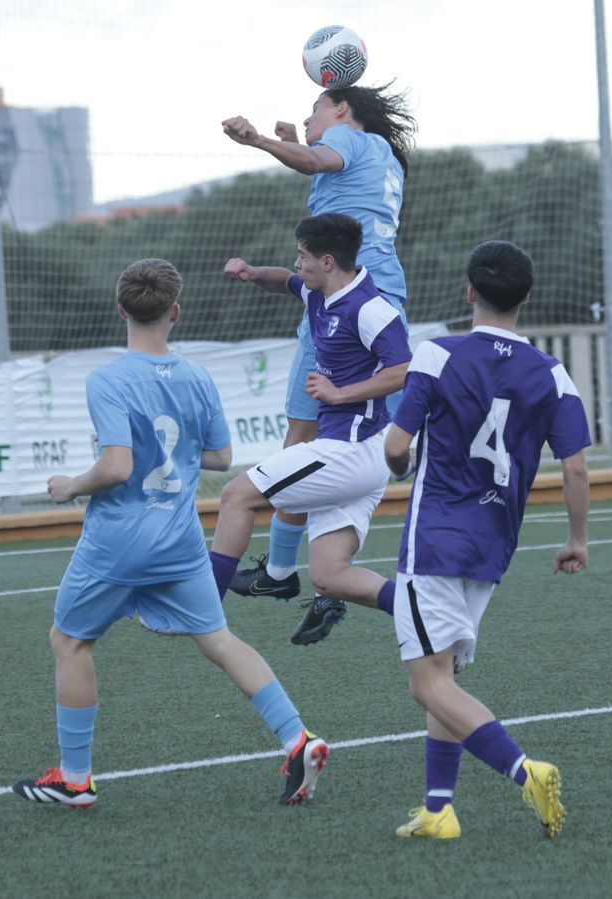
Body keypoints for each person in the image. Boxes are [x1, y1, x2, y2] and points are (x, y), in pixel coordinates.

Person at [12, 259, 328, 809]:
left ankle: (76, 778)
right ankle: (297, 737)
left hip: (120, 540)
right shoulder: (196, 375)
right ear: (175, 312)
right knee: (220, 640)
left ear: (120, 310)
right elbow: (221, 456)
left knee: (69, 641)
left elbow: (114, 467)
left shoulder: (108, 380)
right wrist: (177, 452)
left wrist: (69, 486)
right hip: (180, 539)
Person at [381, 241, 592, 840]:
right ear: (526, 297)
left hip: (436, 538)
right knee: (444, 675)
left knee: (426, 681)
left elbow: (397, 447)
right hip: (493, 543)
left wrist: (402, 467)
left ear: (469, 292)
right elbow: (575, 466)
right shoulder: (551, 371)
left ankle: (526, 770)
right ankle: (439, 809)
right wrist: (577, 538)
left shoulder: (437, 354)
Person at [220, 84, 416, 604]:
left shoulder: (349, 139)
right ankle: (320, 568)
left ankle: (281, 570)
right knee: (371, 422)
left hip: (348, 290)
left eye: (315, 111)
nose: (309, 120)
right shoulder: (380, 153)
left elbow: (314, 160)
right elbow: (318, 163)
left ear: (341, 109)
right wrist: (294, 141)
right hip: (381, 282)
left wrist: (260, 140)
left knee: (303, 432)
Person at [213, 213, 409, 645]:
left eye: (302, 256)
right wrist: (251, 273)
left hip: (350, 450)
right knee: (331, 576)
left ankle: (199, 605)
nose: (297, 263)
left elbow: (404, 369)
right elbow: (284, 280)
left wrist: (342, 394)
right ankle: (425, 611)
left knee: (236, 496)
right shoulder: (321, 293)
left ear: (326, 261)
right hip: (358, 455)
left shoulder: (370, 308)